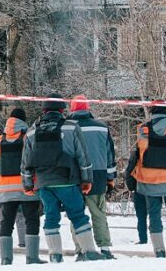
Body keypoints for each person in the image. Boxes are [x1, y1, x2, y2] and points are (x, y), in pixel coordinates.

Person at [22, 94, 104, 262]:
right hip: (67, 180)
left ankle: (55, 255)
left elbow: (25, 162)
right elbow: (83, 156)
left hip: (44, 183)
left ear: (43, 110)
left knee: (50, 216)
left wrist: (28, 184)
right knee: (77, 215)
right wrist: (87, 180)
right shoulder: (71, 127)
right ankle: (89, 251)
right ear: (62, 110)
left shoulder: (32, 131)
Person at [131, 105, 166, 258]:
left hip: (149, 181)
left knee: (154, 215)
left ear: (152, 114)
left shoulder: (142, 129)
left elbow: (139, 152)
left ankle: (159, 252)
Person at [0, 108, 44, 265]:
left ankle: (6, 259)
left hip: (5, 190)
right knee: (32, 220)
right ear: (23, 121)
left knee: (6, 223)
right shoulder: (29, 137)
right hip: (27, 188)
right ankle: (32, 257)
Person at [68, 96, 117, 260]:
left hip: (75, 177)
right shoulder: (102, 127)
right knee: (99, 214)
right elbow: (110, 155)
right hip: (98, 175)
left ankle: (81, 250)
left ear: (72, 109)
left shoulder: (68, 127)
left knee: (76, 214)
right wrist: (110, 178)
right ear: (88, 109)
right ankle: (105, 248)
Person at [124, 148, 148, 245]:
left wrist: (131, 186)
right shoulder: (162, 142)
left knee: (141, 216)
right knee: (155, 215)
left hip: (140, 186)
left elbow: (129, 170)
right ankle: (158, 240)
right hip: (156, 186)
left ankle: (143, 239)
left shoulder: (139, 149)